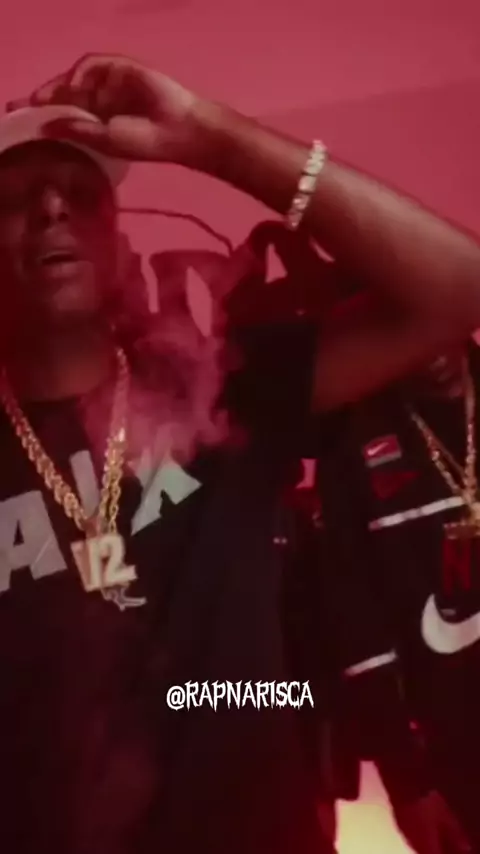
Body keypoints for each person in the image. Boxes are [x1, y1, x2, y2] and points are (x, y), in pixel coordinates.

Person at [1, 51, 480, 854]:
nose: (52, 207)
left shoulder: (226, 382)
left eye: (81, 194)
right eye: (13, 200)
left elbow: (460, 289)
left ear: (117, 243)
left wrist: (211, 137)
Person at [316, 322, 480, 852]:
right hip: (457, 759)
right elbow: (357, 627)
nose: (429, 343)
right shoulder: (351, 439)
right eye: (405, 318)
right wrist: (406, 781)